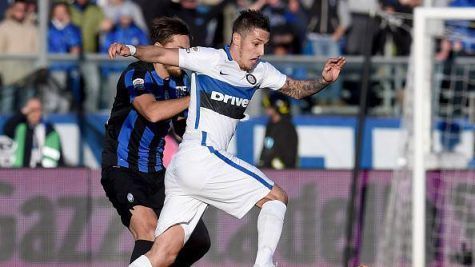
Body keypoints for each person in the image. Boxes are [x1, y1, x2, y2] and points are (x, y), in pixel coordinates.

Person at [109, 9, 345, 267]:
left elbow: (297, 90)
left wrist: (323, 80)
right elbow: (162, 54)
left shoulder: (262, 71)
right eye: (255, 44)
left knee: (162, 255)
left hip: (182, 170)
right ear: (236, 40)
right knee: (277, 198)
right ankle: (264, 264)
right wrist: (130, 49)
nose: (260, 52)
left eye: (264, 45)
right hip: (201, 156)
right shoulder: (210, 59)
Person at [100, 17, 210, 265]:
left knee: (197, 239)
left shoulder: (181, 82)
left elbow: (182, 129)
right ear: (161, 48)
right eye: (179, 51)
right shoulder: (137, 73)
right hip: (122, 169)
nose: (185, 58)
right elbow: (152, 111)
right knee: (148, 231)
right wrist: (199, 99)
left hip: (157, 173)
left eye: (187, 52)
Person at [0, 0, 38, 113]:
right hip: (9, 77)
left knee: (26, 109)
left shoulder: (32, 29)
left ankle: (24, 130)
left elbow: (36, 51)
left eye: (23, 10)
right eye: (17, 9)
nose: (20, 12)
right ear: (12, 10)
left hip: (28, 76)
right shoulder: (4, 27)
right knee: (7, 106)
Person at [3, 98, 63, 168]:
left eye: (37, 110)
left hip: (45, 174)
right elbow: (7, 129)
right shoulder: (21, 128)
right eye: (31, 110)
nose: (34, 113)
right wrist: (21, 113)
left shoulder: (50, 130)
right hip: (21, 173)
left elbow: (59, 157)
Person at [259, 93, 298, 169]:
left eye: (270, 107)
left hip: (282, 173)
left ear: (277, 108)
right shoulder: (270, 125)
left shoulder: (286, 128)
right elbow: (267, 147)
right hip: (268, 170)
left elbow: (288, 157)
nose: (267, 109)